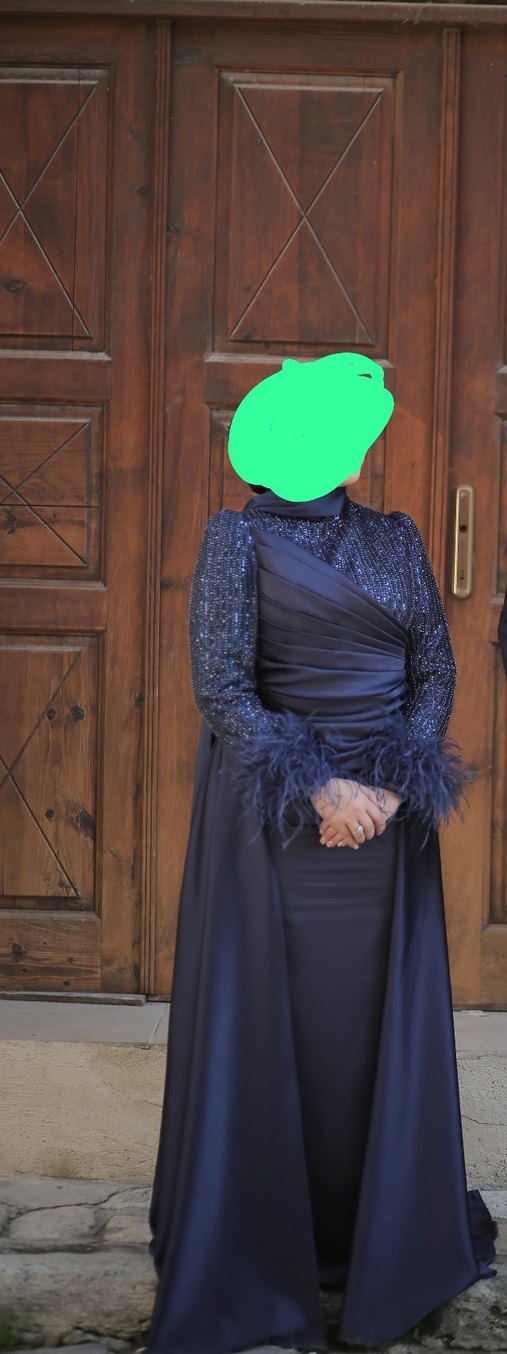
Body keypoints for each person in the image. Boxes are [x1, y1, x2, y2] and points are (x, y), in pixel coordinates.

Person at [146, 358, 497, 1354]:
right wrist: (321, 787)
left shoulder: (398, 535)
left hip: (384, 829)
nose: (360, 449)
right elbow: (222, 687)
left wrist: (387, 787)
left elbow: (435, 670)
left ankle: (376, 1235)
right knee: (276, 1019)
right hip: (276, 825)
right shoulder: (235, 538)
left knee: (370, 1026)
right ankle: (264, 1246)